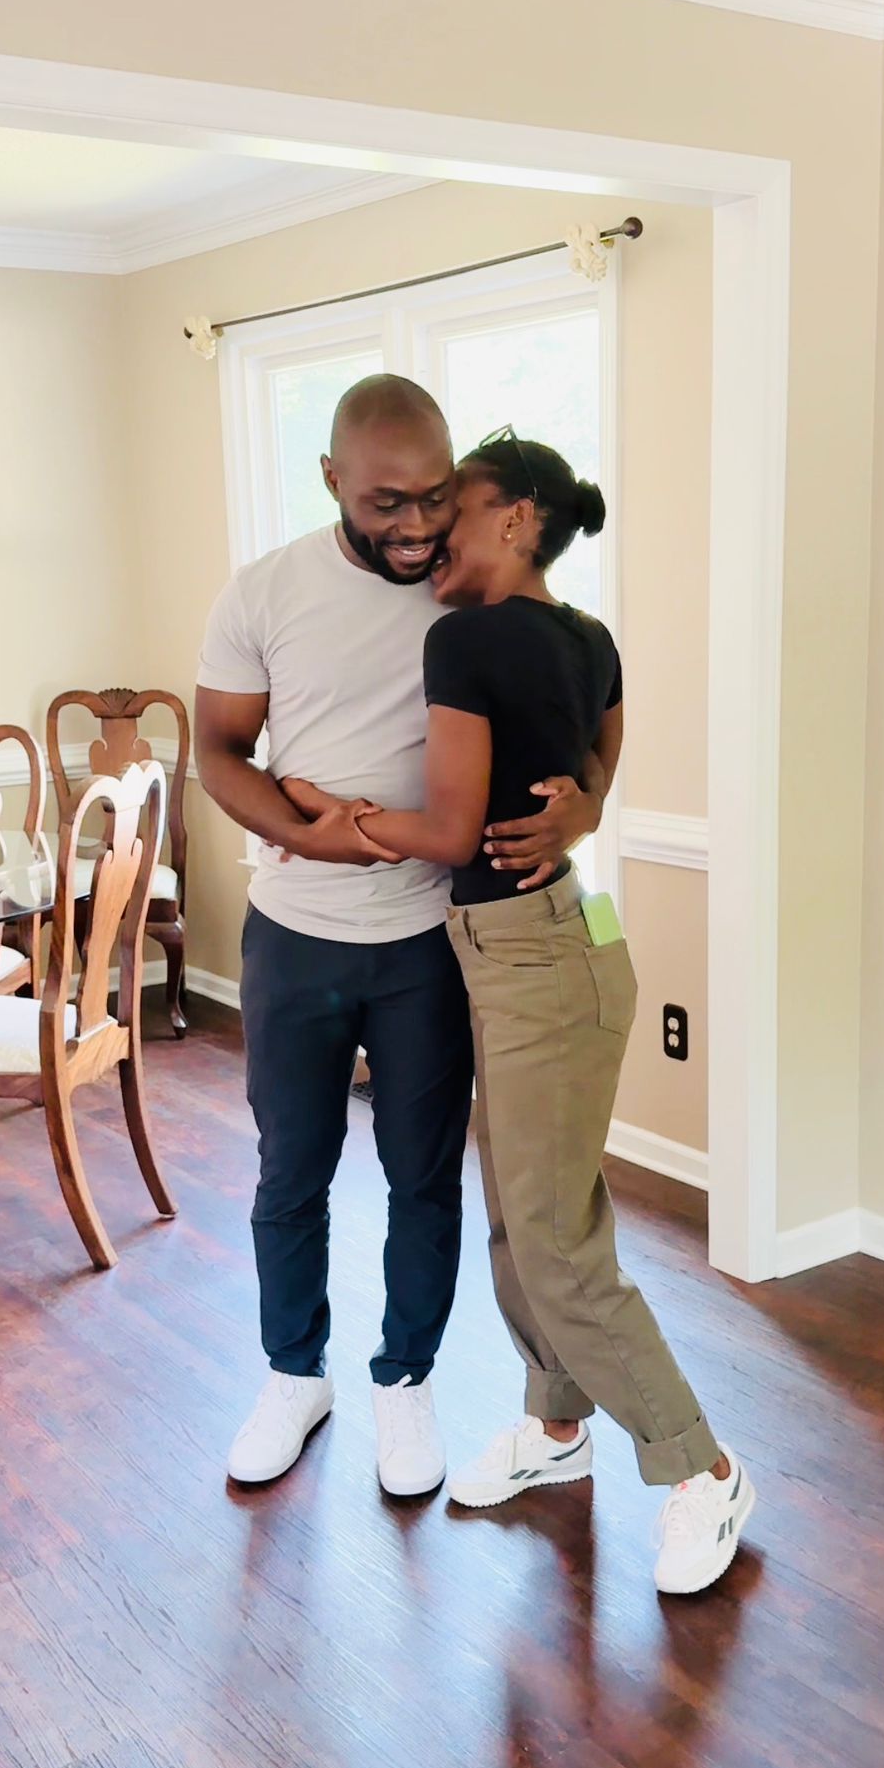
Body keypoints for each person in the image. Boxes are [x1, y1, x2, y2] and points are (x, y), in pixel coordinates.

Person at [289, 428, 755, 1595]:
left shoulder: (468, 636)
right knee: (530, 1219)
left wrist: (325, 814)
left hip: (535, 963)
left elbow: (451, 834)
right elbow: (598, 770)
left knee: (550, 1239)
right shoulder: (584, 638)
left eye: (462, 506)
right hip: (555, 950)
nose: (435, 528)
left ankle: (703, 1467)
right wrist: (583, 813)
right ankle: (557, 1429)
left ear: (519, 518)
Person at [194, 379, 601, 1498]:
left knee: (424, 1178)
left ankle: (404, 1384)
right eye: (386, 504)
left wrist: (590, 802)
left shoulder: (475, 594)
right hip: (296, 936)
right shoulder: (265, 591)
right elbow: (220, 750)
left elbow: (580, 703)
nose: (417, 526)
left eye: (433, 498)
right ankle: (294, 1374)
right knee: (293, 1173)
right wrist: (319, 840)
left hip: (435, 940)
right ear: (331, 481)